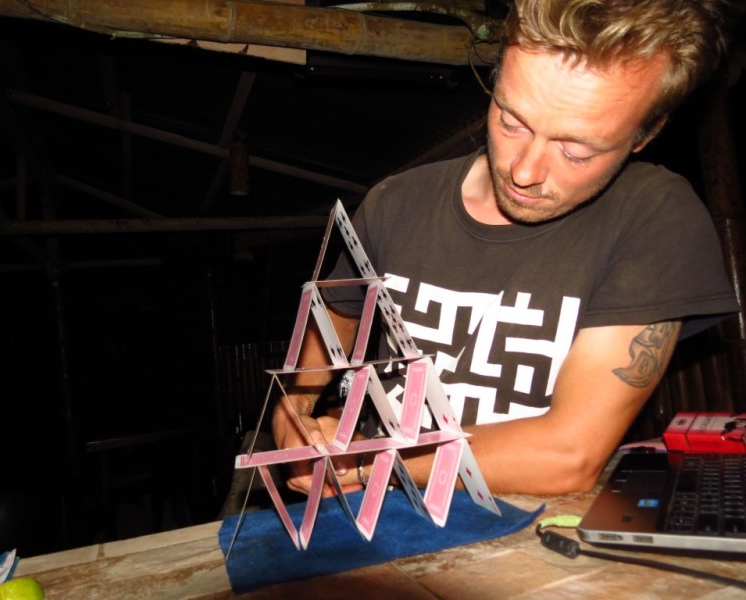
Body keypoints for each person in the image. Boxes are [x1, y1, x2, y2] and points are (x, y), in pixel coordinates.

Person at [272, 0, 742, 497]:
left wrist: (367, 463)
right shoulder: (395, 200)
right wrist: (295, 410)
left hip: (532, 527)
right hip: (384, 511)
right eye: (511, 120)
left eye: (575, 151)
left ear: (647, 133)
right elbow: (336, 316)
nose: (524, 171)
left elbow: (567, 456)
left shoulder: (654, 215)